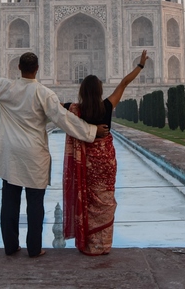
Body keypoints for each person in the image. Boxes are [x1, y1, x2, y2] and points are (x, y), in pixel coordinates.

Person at [0, 53, 108, 258]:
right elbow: (64, 120)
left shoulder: (6, 87)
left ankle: (11, 246)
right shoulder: (44, 94)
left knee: (9, 202)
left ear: (18, 67)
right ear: (38, 68)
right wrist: (92, 130)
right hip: (34, 155)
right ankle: (34, 249)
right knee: (35, 204)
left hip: (10, 154)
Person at [63, 49, 148, 255]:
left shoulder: (74, 109)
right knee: (106, 200)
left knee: (89, 200)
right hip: (106, 162)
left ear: (82, 91)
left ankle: (90, 245)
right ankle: (104, 245)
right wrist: (140, 65)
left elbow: (49, 105)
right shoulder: (107, 106)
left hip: (88, 163)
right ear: (100, 91)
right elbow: (124, 83)